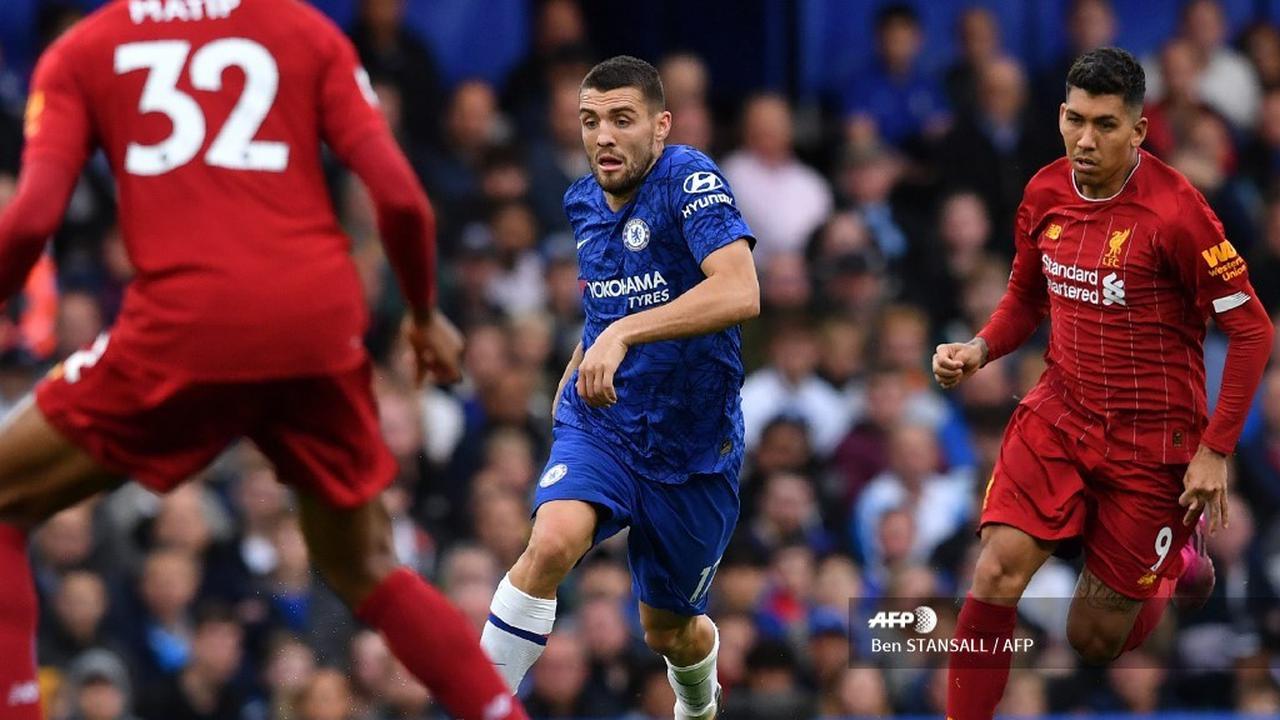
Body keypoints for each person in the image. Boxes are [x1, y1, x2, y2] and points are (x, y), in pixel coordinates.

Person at [0, 2, 525, 719]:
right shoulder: (304, 30)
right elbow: (403, 201)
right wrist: (425, 315)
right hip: (314, 328)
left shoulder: (84, 49)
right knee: (368, 567)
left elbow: (31, 217)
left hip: (183, 328)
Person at [933, 47, 1273, 719]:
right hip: (1061, 411)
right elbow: (1026, 299)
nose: (1085, 140)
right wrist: (979, 348)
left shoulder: (1179, 215)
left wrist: (1215, 450)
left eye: (1106, 125)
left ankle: (1175, 565)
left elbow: (1255, 330)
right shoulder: (1044, 192)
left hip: (1155, 442)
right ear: (1060, 115)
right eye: (1075, 119)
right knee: (995, 571)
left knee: (1094, 639)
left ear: (1139, 131)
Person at [479, 56, 759, 720]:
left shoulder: (688, 179)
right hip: (605, 424)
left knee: (669, 632)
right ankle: (478, 701)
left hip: (694, 453)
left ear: (661, 127)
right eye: (589, 121)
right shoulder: (582, 202)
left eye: (622, 120)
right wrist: (586, 355)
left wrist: (622, 334)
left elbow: (740, 289)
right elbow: (613, 304)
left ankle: (698, 703)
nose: (603, 136)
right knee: (549, 544)